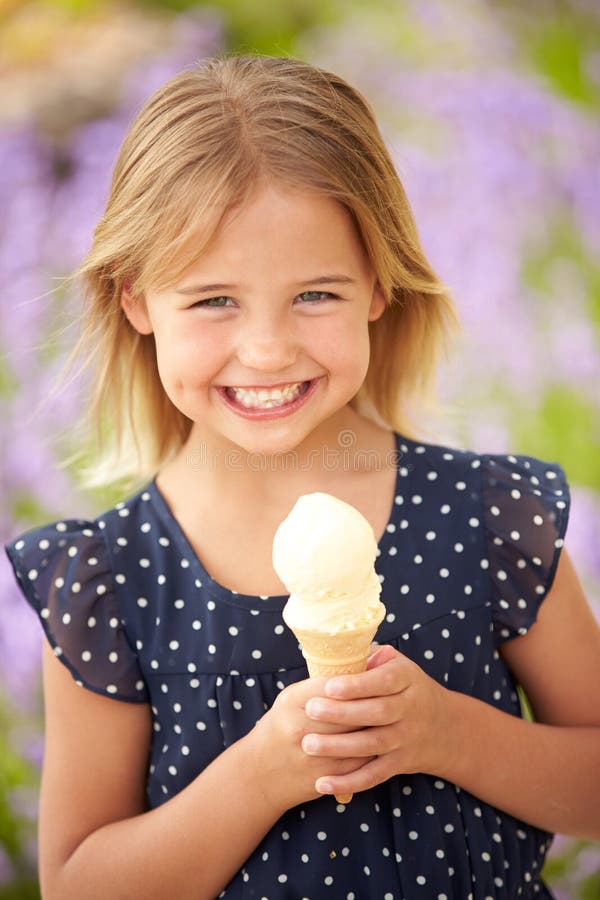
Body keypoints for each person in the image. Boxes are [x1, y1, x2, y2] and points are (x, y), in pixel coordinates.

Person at [5, 54, 600, 900]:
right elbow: (79, 884)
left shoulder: (487, 516)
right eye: (214, 301)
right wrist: (260, 775)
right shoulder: (108, 580)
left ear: (377, 286)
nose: (268, 350)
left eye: (315, 294)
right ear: (136, 299)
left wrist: (450, 736)